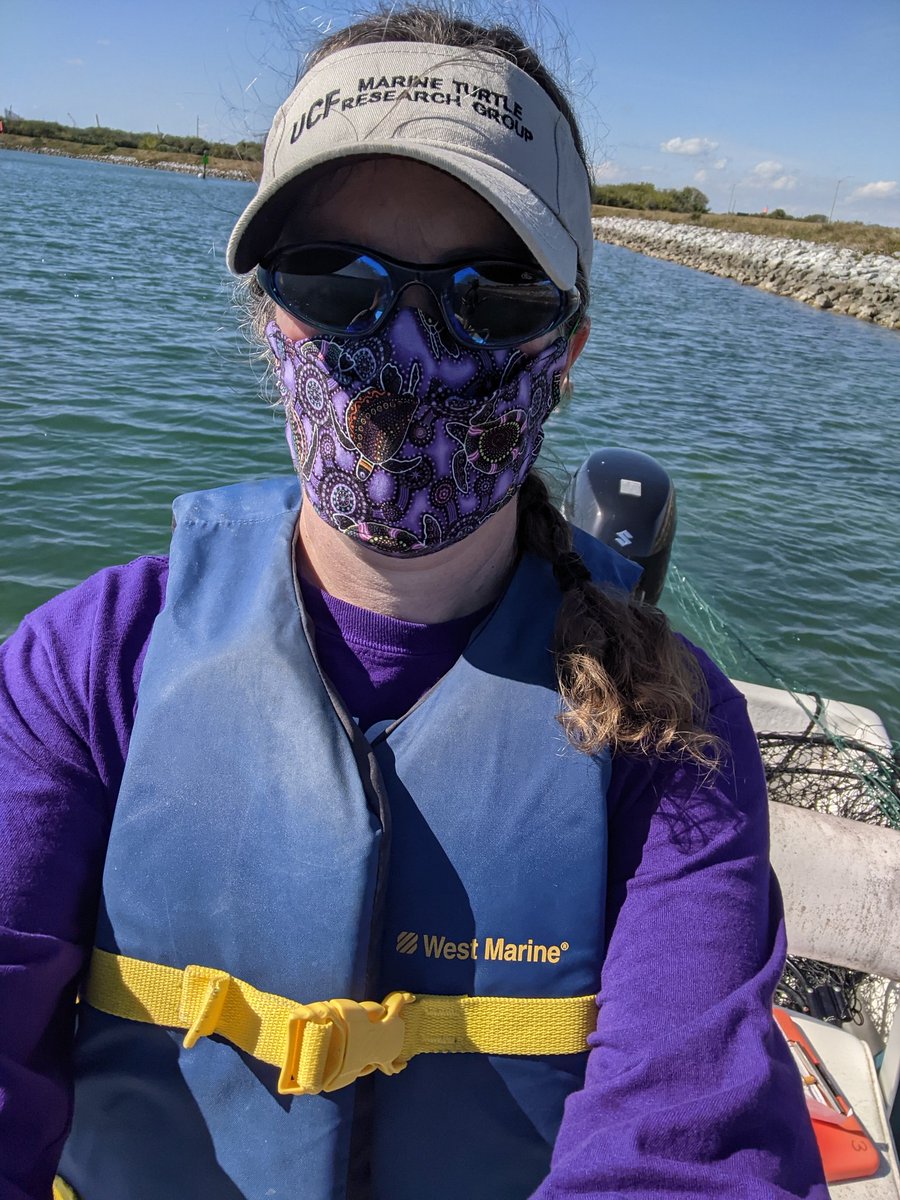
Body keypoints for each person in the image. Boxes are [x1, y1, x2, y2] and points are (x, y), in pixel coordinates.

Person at [0, 7, 828, 1199]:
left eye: (489, 298)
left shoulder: (671, 742)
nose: (403, 352)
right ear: (267, 316)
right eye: (337, 284)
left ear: (571, 345)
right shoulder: (83, 671)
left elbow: (685, 1152)